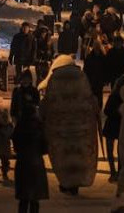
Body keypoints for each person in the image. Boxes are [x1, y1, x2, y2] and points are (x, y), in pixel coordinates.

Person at [40, 55, 99, 195]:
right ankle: (77, 181)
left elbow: (46, 107)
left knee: (63, 154)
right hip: (81, 128)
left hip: (60, 128)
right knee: (80, 152)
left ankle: (66, 181)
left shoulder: (55, 80)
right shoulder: (82, 79)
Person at [12, 105, 49, 213]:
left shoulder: (19, 126)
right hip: (36, 162)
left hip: (22, 162)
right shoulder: (39, 126)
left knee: (23, 199)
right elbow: (45, 147)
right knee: (35, 199)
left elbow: (16, 146)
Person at [103, 76, 124, 182]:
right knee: (120, 151)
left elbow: (106, 111)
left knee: (110, 150)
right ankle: (120, 172)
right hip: (121, 125)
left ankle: (113, 172)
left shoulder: (113, 96)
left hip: (111, 124)